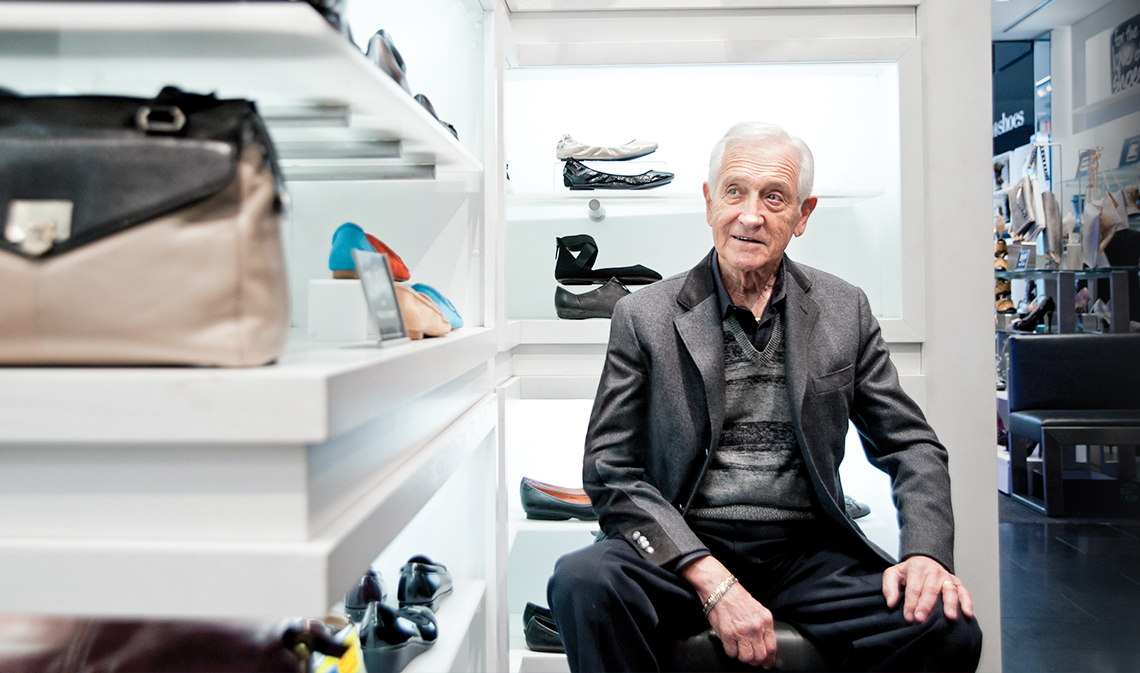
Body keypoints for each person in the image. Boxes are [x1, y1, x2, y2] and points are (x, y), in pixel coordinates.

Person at [547, 122, 983, 672]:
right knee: (582, 581)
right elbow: (610, 467)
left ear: (803, 215)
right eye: (734, 191)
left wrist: (925, 552)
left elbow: (912, 445)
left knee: (948, 627)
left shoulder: (844, 309)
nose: (750, 215)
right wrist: (709, 576)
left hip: (805, 550)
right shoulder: (644, 315)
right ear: (709, 203)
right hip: (686, 542)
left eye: (774, 197)